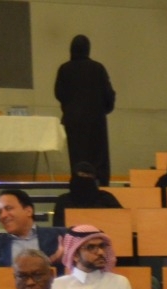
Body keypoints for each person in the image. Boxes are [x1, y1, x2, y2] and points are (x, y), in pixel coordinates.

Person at [53, 35, 116, 185]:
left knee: (77, 154)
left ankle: (79, 182)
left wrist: (69, 109)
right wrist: (104, 110)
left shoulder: (64, 69)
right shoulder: (98, 68)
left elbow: (59, 93)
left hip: (74, 121)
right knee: (98, 155)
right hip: (96, 120)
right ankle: (100, 183)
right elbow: (109, 94)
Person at [0, 190, 63, 267]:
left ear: (28, 211)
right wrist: (50, 261)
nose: (3, 215)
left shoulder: (59, 236)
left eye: (8, 208)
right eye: (0, 212)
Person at [51, 163, 123, 228]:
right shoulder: (63, 200)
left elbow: (121, 222)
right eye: (81, 176)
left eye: (89, 177)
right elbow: (58, 228)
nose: (84, 181)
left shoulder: (106, 198)